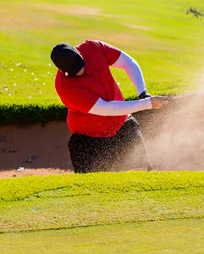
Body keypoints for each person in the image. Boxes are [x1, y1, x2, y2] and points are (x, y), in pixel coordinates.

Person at [51, 40, 169, 173]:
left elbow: (128, 62)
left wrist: (143, 93)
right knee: (92, 189)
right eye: (73, 71)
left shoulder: (92, 48)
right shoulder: (64, 85)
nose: (79, 72)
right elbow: (106, 109)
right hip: (89, 141)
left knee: (140, 174)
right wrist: (147, 104)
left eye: (79, 65)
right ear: (62, 71)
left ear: (79, 53)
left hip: (122, 125)